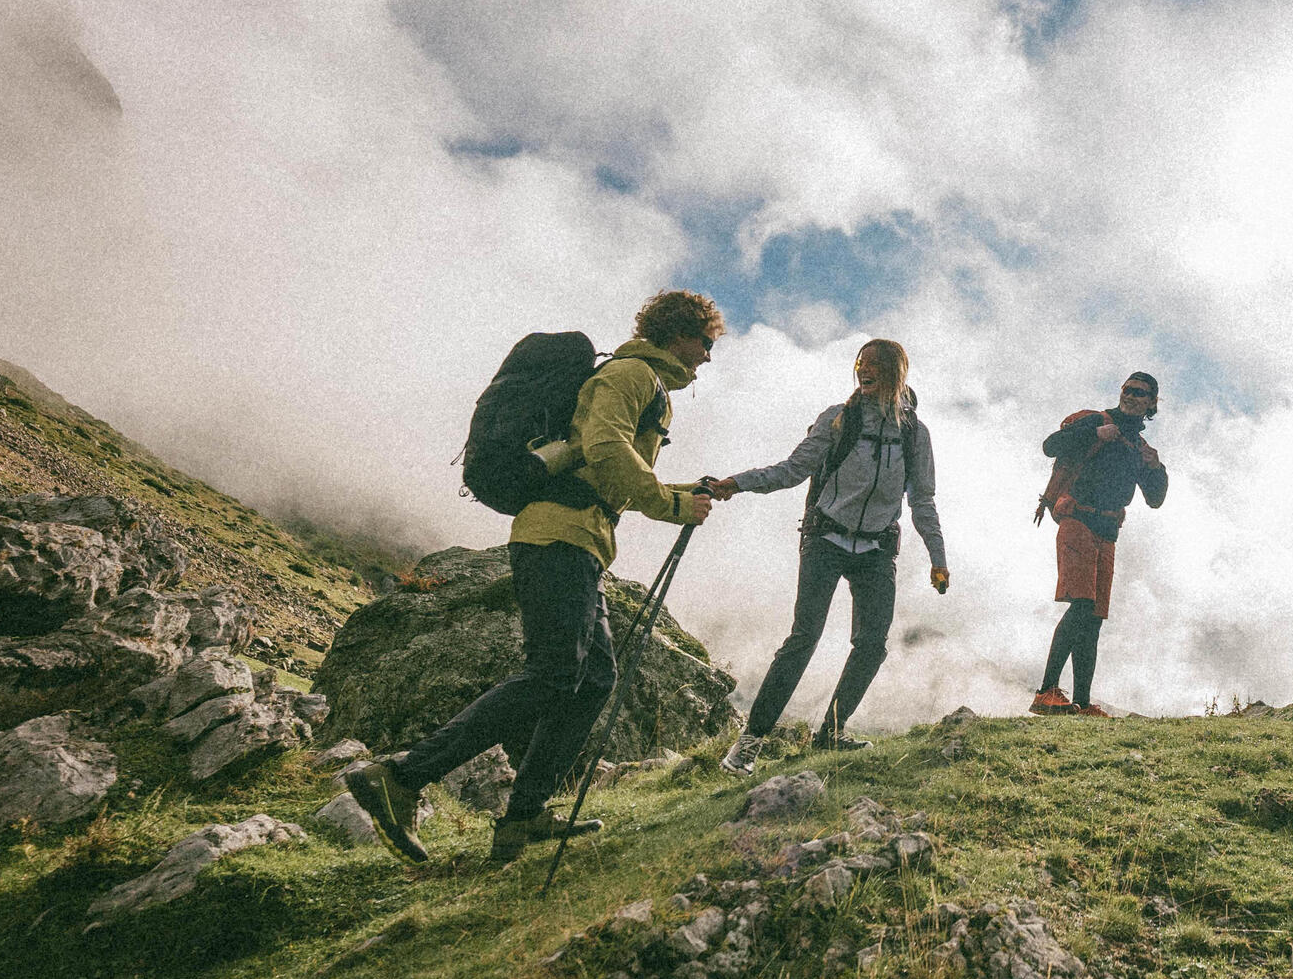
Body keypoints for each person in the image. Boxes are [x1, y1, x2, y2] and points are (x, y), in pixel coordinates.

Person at [344, 290, 722, 866]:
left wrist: (675, 493)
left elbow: (607, 460)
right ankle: (401, 775)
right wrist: (670, 504)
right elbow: (605, 446)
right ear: (677, 333)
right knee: (553, 672)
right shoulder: (635, 374)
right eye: (705, 342)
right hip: (558, 537)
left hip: (578, 539)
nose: (708, 357)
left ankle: (523, 817)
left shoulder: (639, 379)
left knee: (593, 678)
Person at [700, 339, 948, 774]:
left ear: (896, 372)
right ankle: (749, 742)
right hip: (825, 541)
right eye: (859, 364)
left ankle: (831, 731)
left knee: (872, 645)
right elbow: (792, 470)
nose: (863, 371)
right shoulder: (839, 419)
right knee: (804, 638)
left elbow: (922, 501)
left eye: (873, 365)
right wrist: (736, 483)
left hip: (876, 548)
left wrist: (938, 558)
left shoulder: (914, 433)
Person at [1030, 371, 1167, 715]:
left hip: (1107, 531)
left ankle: (1082, 702)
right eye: (1128, 390)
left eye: (1140, 393)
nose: (1131, 396)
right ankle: (1046, 691)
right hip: (1077, 520)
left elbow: (1156, 499)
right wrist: (1094, 433)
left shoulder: (1140, 449)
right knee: (1080, 605)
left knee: (1092, 617)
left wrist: (1157, 468)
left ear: (1152, 404)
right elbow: (1050, 446)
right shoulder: (1098, 421)